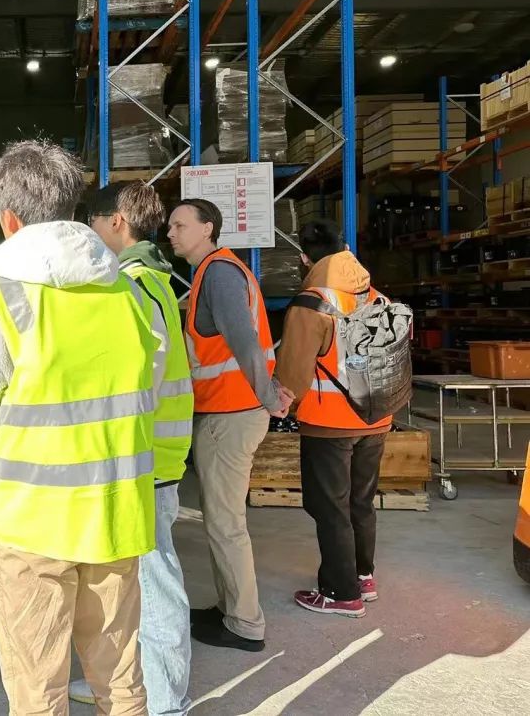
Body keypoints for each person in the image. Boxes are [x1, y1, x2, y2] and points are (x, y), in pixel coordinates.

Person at [0, 140, 167, 715]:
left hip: (30, 521)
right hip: (116, 512)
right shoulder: (130, 294)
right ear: (72, 209)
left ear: (8, 220)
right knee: (121, 679)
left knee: (37, 688)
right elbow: (149, 388)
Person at [67, 181, 195, 714]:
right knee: (134, 580)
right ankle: (124, 683)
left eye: (94, 223)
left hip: (143, 458)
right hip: (153, 453)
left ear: (117, 221)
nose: (90, 233)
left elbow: (143, 377)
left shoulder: (133, 284)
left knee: (152, 580)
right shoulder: (155, 278)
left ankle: (162, 702)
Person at [167, 198, 290, 653]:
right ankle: (230, 609)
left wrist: (270, 397)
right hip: (228, 412)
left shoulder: (218, 273)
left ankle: (244, 624)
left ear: (208, 228)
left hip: (230, 415)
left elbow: (244, 341)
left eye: (180, 225)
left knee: (226, 525)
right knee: (222, 520)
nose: (171, 233)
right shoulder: (216, 272)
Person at [275, 219, 393, 618]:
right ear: (345, 251)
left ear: (305, 259)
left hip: (329, 424)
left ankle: (341, 593)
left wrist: (281, 405)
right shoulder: (377, 297)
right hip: (375, 418)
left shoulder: (311, 303)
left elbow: (293, 374)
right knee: (361, 501)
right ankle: (363, 576)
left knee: (330, 507)